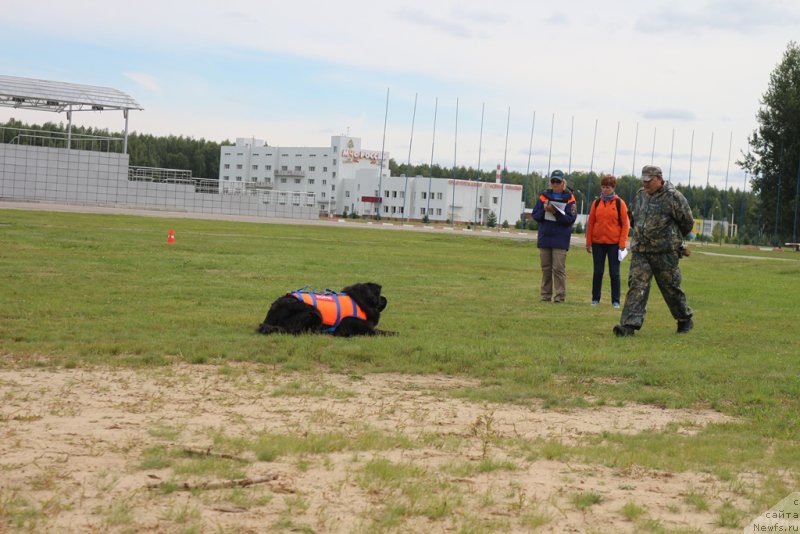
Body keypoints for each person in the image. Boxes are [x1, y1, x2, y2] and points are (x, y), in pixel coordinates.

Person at [613, 165, 695, 336]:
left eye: (649, 181)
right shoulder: (640, 195)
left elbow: (687, 222)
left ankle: (684, 319)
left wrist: (672, 238)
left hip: (665, 253)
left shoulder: (673, 197)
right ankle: (629, 325)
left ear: (659, 178)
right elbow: (632, 216)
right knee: (637, 285)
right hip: (641, 251)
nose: (646, 184)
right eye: (643, 180)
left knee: (671, 288)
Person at [532, 169, 577, 303]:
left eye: (558, 181)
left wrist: (555, 213)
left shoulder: (570, 198)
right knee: (546, 268)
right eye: (553, 181)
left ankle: (560, 296)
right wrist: (544, 210)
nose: (555, 184)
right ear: (550, 182)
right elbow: (535, 215)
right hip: (545, 237)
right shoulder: (544, 196)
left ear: (563, 182)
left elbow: (570, 219)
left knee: (558, 269)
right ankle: (545, 295)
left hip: (560, 239)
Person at [585, 175, 630, 308]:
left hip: (614, 244)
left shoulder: (619, 203)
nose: (605, 190)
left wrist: (622, 244)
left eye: (608, 187)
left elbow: (625, 225)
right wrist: (588, 242)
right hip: (598, 242)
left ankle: (615, 301)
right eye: (603, 187)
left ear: (613, 188)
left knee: (614, 273)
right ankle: (595, 299)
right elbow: (591, 223)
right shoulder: (596, 203)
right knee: (598, 272)